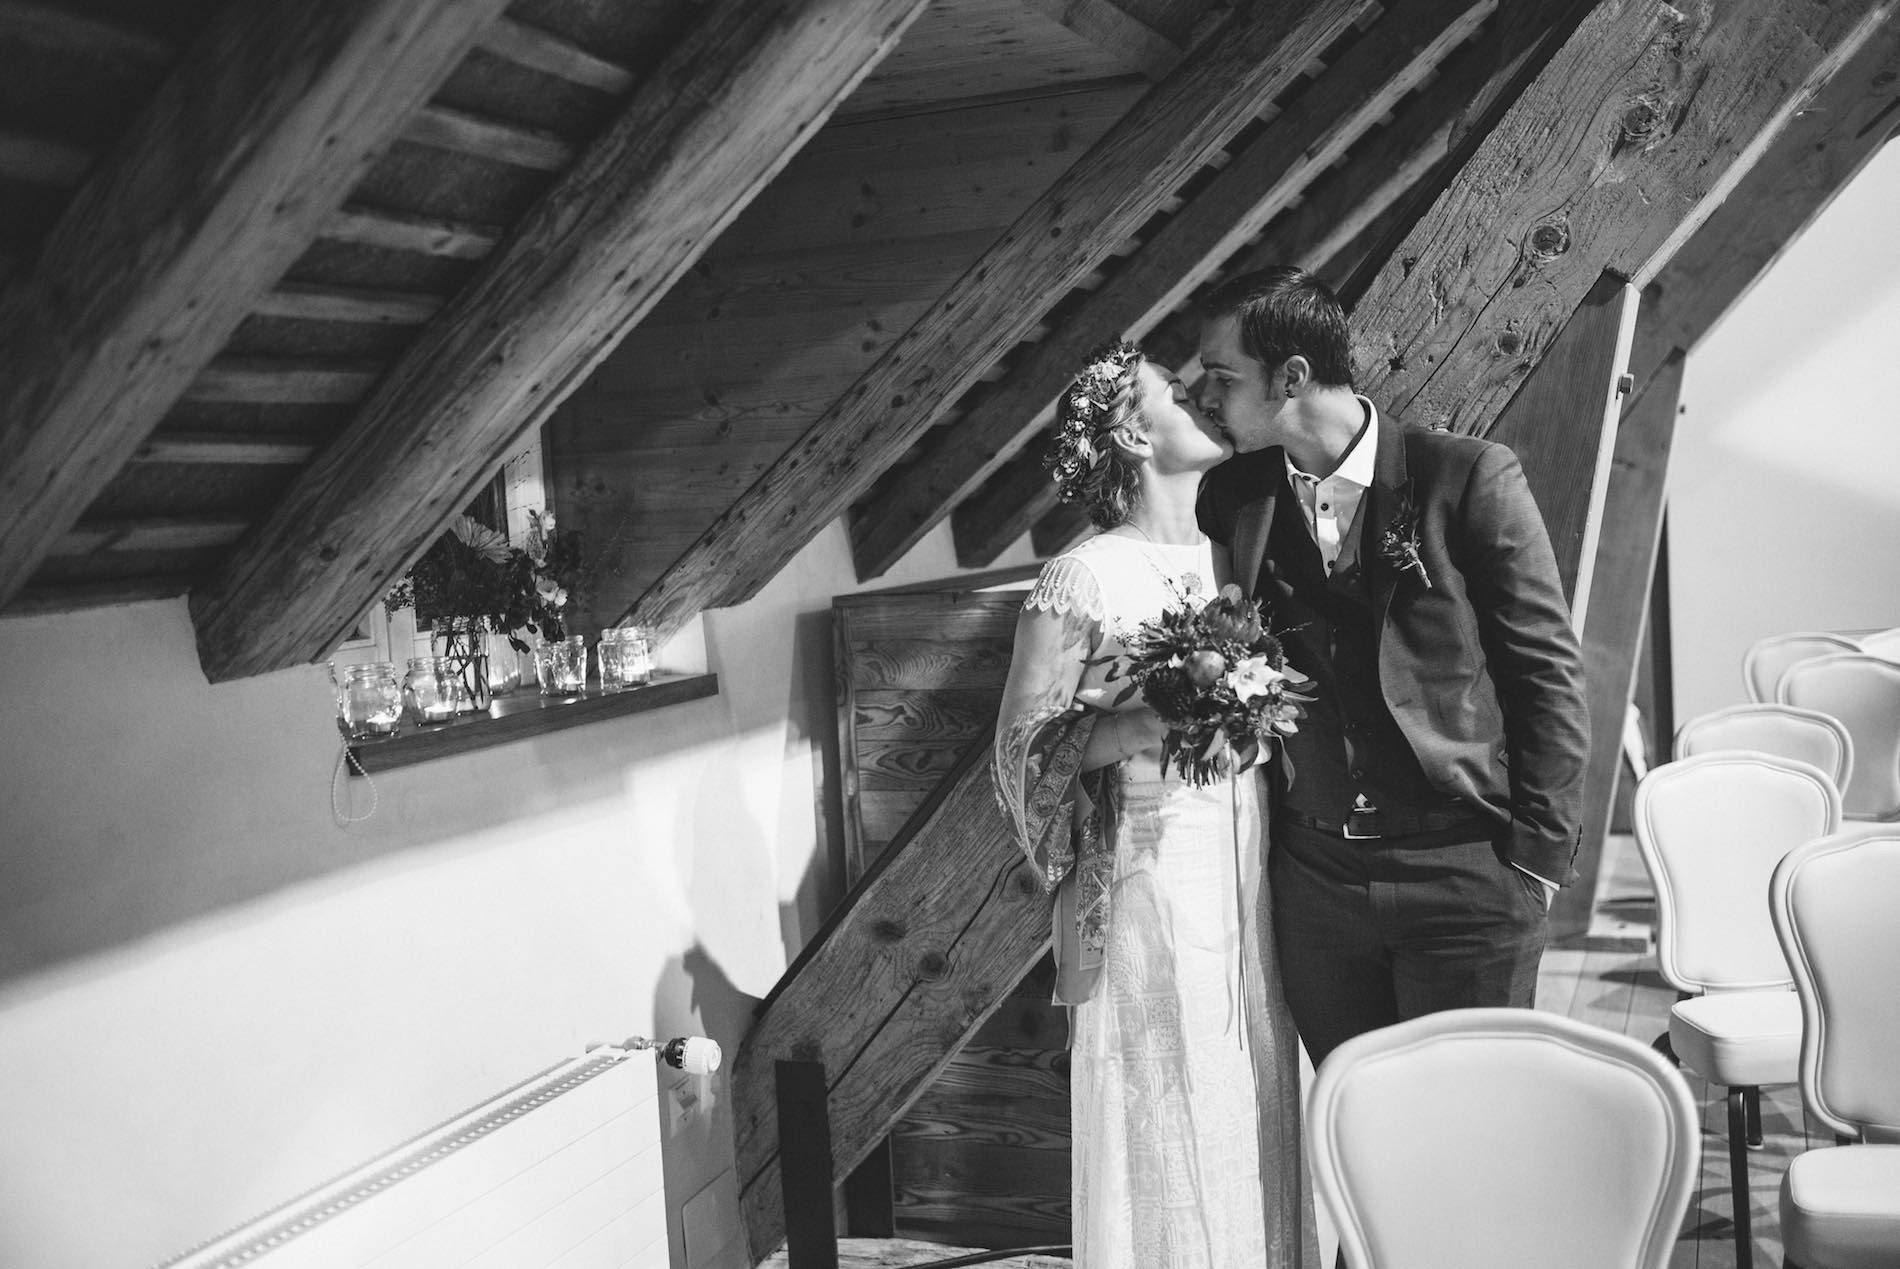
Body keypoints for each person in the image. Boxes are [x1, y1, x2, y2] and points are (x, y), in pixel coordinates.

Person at [1194, 265, 1590, 1067]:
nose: (1205, 397)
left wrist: (1537, 863)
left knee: (1471, 1126)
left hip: (1466, 871)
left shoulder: (1467, 477)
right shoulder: (1233, 497)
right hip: (1317, 887)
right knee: (1359, 1130)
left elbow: (1545, 672)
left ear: (1291, 377)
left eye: (1223, 378)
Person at [993, 342, 1315, 1268]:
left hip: (1252, 878)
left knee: (1252, 1097)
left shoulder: (1233, 555)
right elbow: (1019, 755)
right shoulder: (1083, 576)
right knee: (1166, 1098)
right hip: (1145, 879)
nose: (1202, 394)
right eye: (1175, 390)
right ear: (1134, 436)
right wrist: (1145, 719)